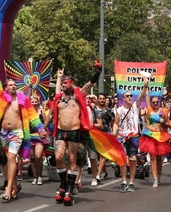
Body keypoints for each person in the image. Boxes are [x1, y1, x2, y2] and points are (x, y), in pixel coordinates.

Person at [0, 54, 47, 200]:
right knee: (10, 160)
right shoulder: (0, 97)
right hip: (3, 134)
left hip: (17, 133)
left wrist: (40, 129)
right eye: (11, 85)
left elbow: (33, 117)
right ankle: (15, 187)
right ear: (5, 88)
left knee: (12, 158)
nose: (13, 86)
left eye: (15, 85)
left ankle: (8, 189)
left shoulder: (23, 100)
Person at [44, 60, 102, 206]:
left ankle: (69, 188)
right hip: (60, 132)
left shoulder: (78, 95)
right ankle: (63, 184)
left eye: (65, 83)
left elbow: (90, 84)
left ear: (71, 83)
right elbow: (51, 115)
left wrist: (98, 72)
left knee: (71, 160)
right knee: (57, 157)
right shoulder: (58, 98)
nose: (63, 85)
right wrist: (42, 129)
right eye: (62, 83)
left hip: (74, 132)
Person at [112, 76, 148, 193]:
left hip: (133, 137)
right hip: (122, 137)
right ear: (123, 98)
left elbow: (141, 96)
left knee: (133, 160)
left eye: (131, 96)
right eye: (127, 96)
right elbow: (116, 123)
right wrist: (114, 133)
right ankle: (123, 181)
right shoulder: (119, 110)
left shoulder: (135, 107)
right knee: (122, 160)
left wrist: (145, 85)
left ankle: (131, 182)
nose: (130, 97)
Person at [139, 89, 171, 188]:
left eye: (157, 101)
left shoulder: (164, 111)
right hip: (151, 134)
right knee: (152, 157)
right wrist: (146, 86)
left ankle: (159, 175)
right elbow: (147, 96)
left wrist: (164, 122)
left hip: (161, 135)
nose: (156, 103)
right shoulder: (149, 110)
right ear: (151, 103)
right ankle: (155, 179)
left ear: (159, 102)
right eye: (154, 102)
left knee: (159, 159)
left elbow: (168, 124)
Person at [94, 93, 115, 183]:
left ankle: (98, 174)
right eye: (100, 98)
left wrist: (114, 133)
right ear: (98, 100)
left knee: (103, 154)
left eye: (103, 98)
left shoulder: (109, 111)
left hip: (106, 134)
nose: (102, 100)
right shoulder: (93, 110)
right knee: (98, 155)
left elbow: (113, 123)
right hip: (95, 135)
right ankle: (104, 171)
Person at [29, 96, 49, 185]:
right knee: (32, 158)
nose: (33, 103)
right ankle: (35, 177)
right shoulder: (28, 113)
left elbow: (46, 122)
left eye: (35, 102)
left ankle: (40, 176)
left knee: (38, 156)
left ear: (38, 102)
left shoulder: (41, 112)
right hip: (29, 136)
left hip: (39, 137)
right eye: (32, 102)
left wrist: (43, 131)